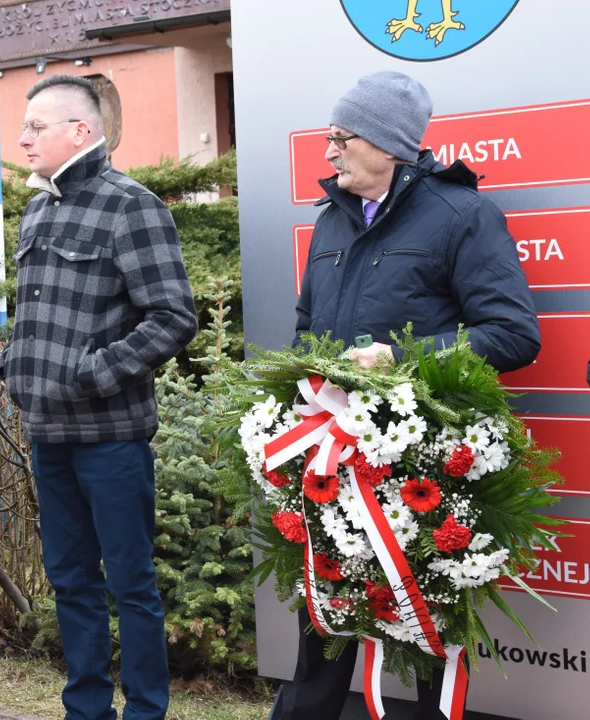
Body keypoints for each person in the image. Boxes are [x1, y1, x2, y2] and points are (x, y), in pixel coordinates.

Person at [275, 71, 540, 720]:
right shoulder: (331, 222)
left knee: (428, 633)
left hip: (423, 464)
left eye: (342, 137)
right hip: (336, 458)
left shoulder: (463, 216)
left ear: (388, 144)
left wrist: (401, 360)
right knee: (326, 620)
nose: (329, 150)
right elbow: (308, 329)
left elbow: (512, 335)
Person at [0, 75, 198, 720]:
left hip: (111, 435)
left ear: (80, 133)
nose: (23, 138)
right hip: (48, 435)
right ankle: (86, 710)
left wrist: (90, 374)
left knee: (132, 584)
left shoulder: (131, 206)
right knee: (70, 580)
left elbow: (172, 316)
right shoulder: (38, 209)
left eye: (36, 126)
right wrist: (17, 372)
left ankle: (145, 711)